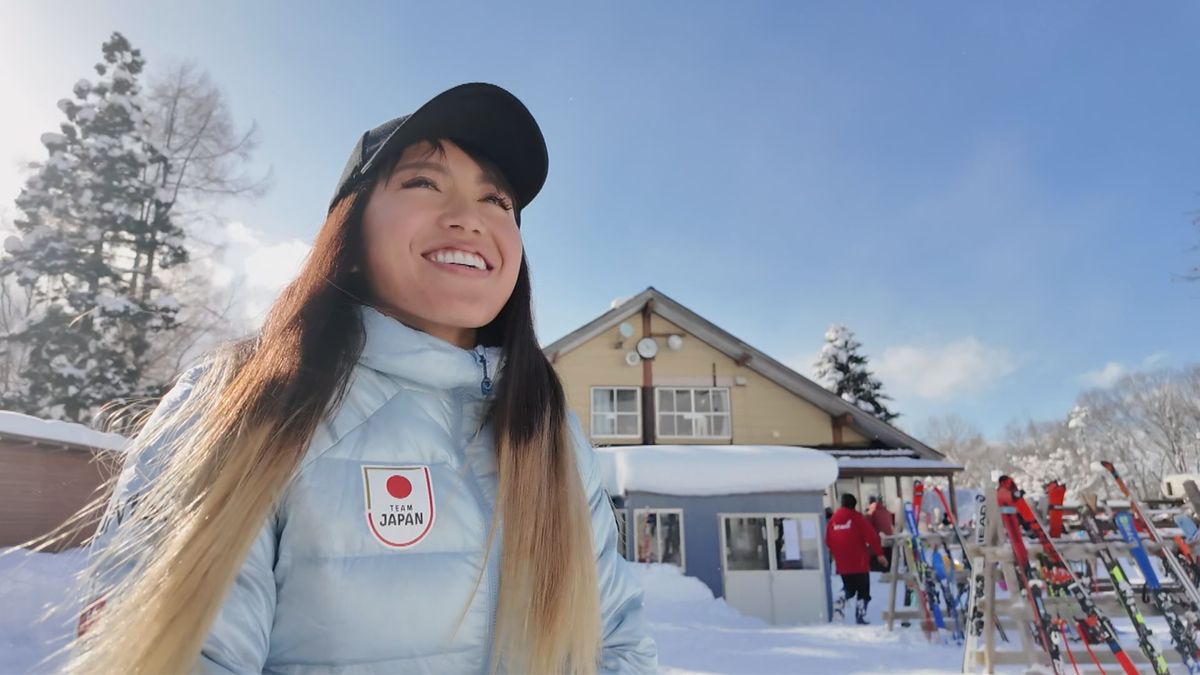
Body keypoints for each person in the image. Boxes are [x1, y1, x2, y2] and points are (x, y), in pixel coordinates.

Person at [64, 83, 657, 674]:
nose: (469, 219)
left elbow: (618, 648)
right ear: (349, 237)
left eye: (497, 201)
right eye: (424, 182)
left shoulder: (550, 435)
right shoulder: (248, 400)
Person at [825, 493, 887, 625]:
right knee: (863, 590)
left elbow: (828, 541)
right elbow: (871, 536)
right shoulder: (857, 518)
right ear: (854, 505)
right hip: (859, 561)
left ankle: (841, 599)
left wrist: (837, 554)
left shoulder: (833, 520)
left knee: (849, 588)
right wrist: (880, 554)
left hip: (842, 563)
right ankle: (860, 615)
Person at [866, 495, 895, 572]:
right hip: (889, 540)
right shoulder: (886, 511)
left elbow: (867, 528)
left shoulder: (871, 513)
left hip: (878, 543)